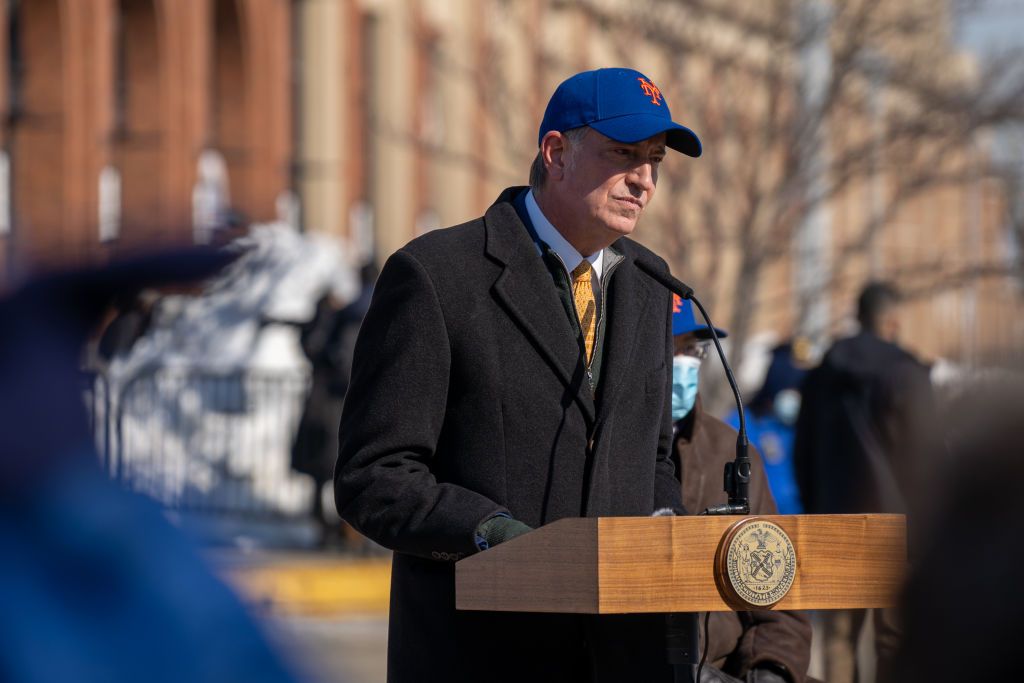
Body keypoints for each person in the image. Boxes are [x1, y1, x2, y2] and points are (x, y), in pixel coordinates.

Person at [334, 68, 701, 682]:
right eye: (624, 154)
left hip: (623, 658)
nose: (645, 179)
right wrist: (495, 535)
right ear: (556, 153)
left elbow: (654, 457)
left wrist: (663, 528)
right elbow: (375, 476)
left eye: (655, 161)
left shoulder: (649, 281)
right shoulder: (437, 276)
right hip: (484, 654)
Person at [793, 281, 935, 683]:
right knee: (893, 637)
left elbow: (803, 450)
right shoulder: (907, 373)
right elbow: (924, 455)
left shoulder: (822, 374)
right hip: (899, 527)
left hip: (835, 521)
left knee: (838, 637)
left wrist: (816, 508)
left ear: (858, 316)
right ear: (892, 321)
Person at [669, 298, 813, 683]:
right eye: (672, 349)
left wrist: (768, 667)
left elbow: (778, 600)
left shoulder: (730, 448)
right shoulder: (605, 449)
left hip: (730, 669)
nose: (684, 363)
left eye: (692, 350)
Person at [725, 340, 811, 515]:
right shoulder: (743, 423)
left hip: (804, 523)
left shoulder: (804, 427)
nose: (796, 397)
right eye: (791, 389)